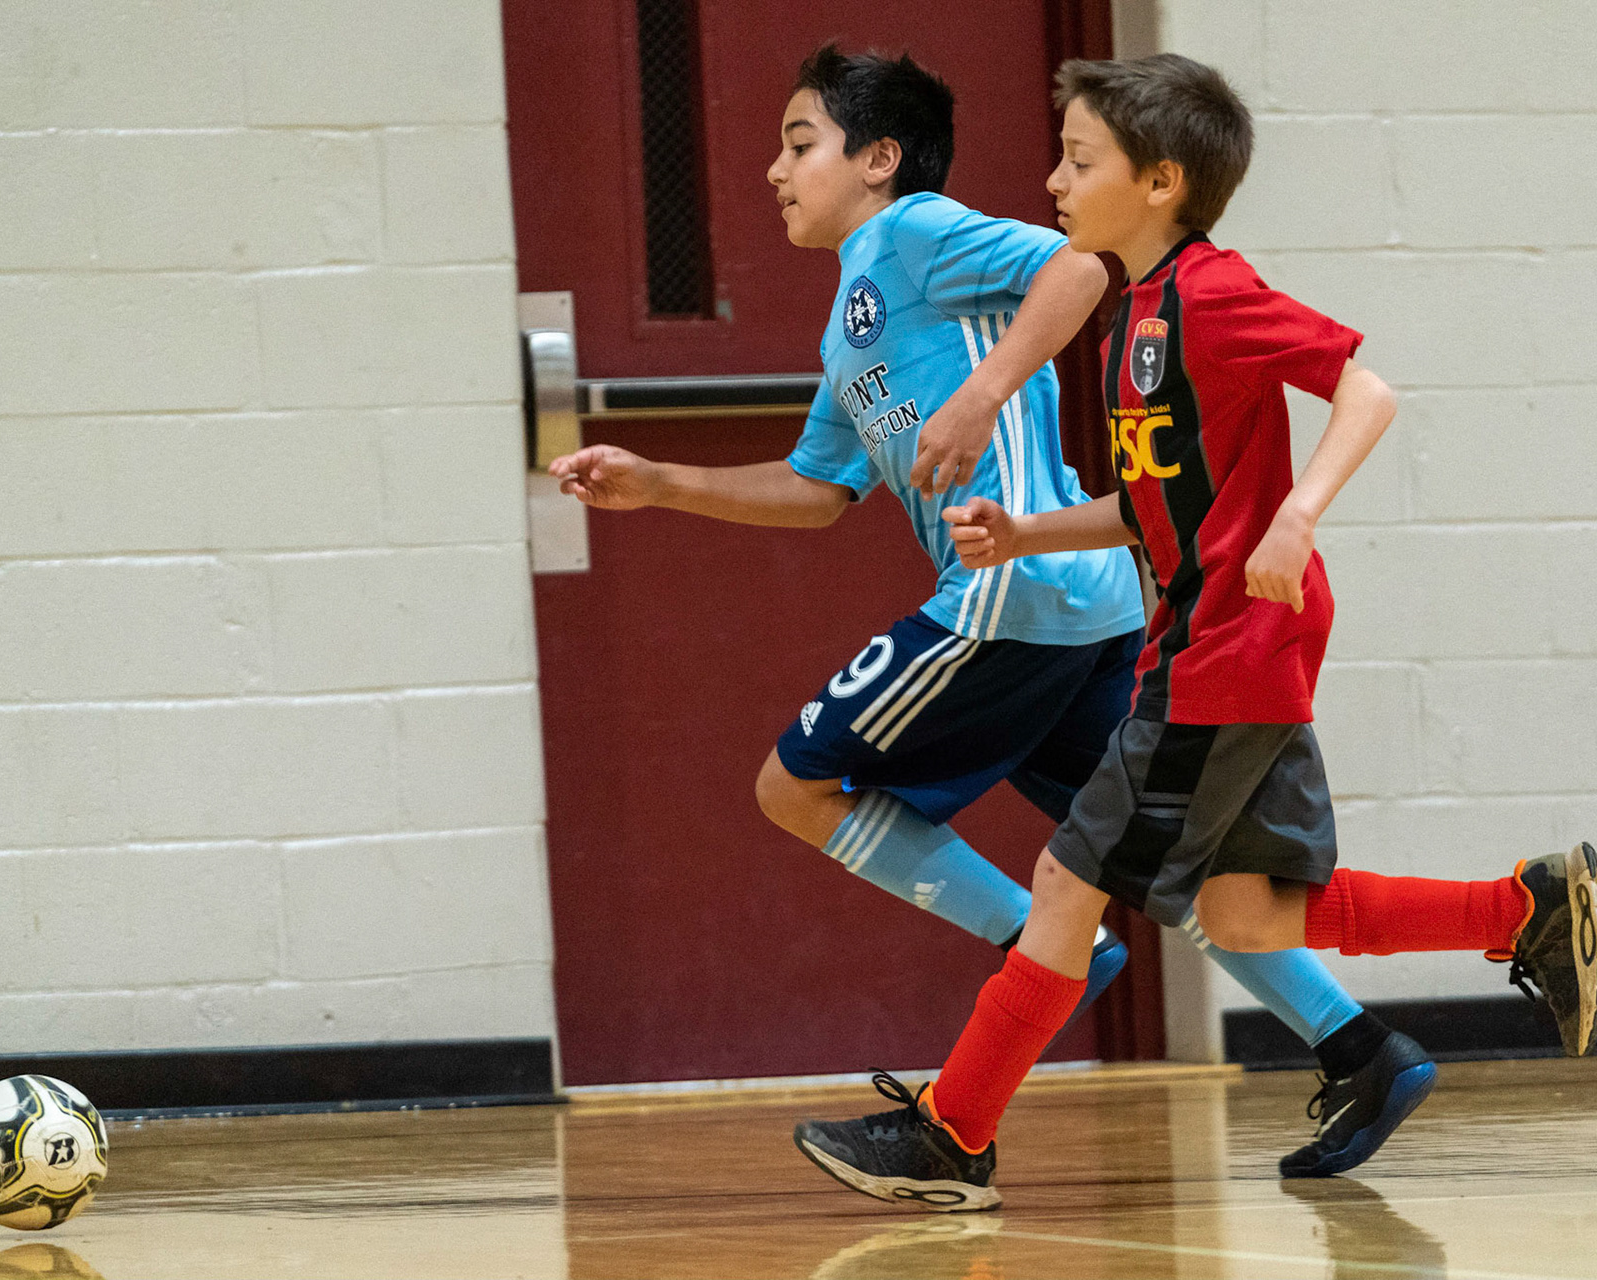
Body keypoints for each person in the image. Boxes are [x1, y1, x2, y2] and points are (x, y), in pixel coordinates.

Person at [553, 44, 1435, 1178]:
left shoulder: (916, 231)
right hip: (1083, 605)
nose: (774, 170)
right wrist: (661, 483)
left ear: (879, 159)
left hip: (1009, 597)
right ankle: (1360, 1046)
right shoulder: (848, 323)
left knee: (795, 783)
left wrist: (982, 393)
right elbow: (818, 490)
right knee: (1157, 861)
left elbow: (1079, 271)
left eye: (799, 142)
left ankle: (1038, 948)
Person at [793, 53, 1597, 1211]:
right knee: (1242, 908)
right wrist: (1023, 533)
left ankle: (952, 1132)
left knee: (1067, 880)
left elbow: (1366, 391)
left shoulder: (1211, 295)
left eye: (1079, 161)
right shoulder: (1133, 316)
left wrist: (1299, 511)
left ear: (1161, 182)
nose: (1054, 181)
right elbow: (1154, 505)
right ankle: (1521, 908)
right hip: (1212, 644)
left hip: (1229, 648)